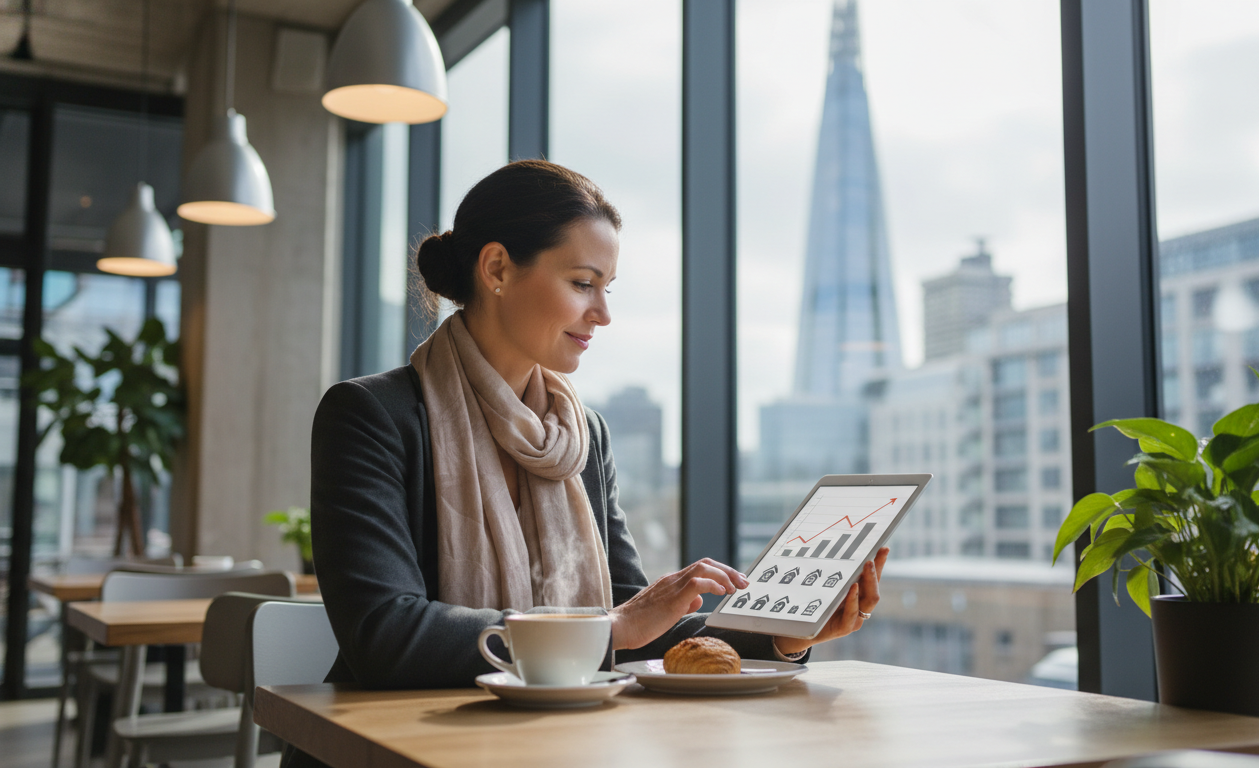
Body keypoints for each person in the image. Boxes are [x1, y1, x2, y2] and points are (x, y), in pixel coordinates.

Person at [291, 160, 887, 762]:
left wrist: (780, 635)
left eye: (608, 289)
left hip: (553, 744)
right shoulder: (371, 415)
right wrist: (609, 628)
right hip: (386, 747)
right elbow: (386, 635)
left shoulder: (583, 435)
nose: (603, 313)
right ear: (496, 268)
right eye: (582, 283)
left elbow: (634, 626)